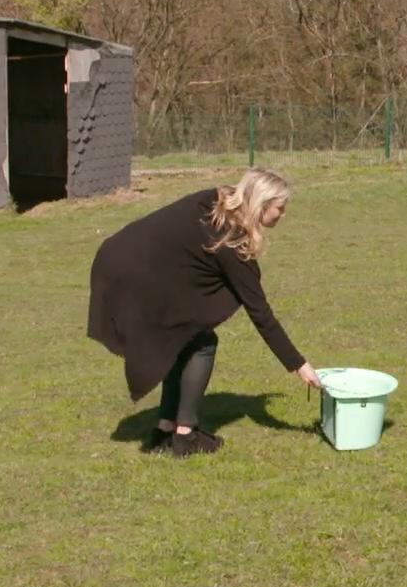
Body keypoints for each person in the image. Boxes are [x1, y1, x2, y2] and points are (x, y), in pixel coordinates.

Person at [87, 168, 322, 456]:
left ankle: (165, 431)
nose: (283, 215)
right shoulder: (231, 244)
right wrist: (300, 365)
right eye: (280, 209)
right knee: (203, 344)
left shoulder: (212, 200)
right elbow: (261, 314)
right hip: (134, 277)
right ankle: (185, 435)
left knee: (185, 338)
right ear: (261, 205)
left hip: (120, 258)